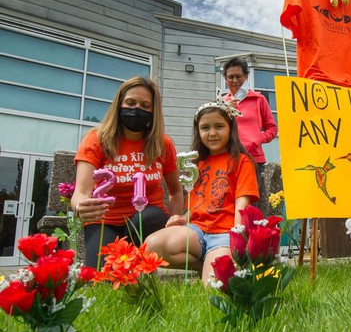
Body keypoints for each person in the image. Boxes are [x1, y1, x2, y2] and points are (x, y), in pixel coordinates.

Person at [71, 76, 184, 268]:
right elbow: (80, 192)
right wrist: (80, 207)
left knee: (147, 217)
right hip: (104, 220)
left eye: (145, 105)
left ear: (153, 111)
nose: (136, 109)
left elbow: (176, 190)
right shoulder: (96, 139)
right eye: (130, 103)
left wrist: (174, 220)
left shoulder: (163, 144)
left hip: (148, 220)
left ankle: (140, 270)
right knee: (99, 280)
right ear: (119, 105)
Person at [145, 98, 259, 285]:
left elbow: (242, 203)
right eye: (205, 128)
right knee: (151, 246)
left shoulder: (241, 161)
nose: (212, 133)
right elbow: (196, 206)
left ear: (231, 129)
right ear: (198, 131)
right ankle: (202, 264)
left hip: (225, 233)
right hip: (196, 231)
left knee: (215, 286)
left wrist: (238, 237)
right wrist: (182, 219)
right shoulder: (197, 164)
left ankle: (215, 262)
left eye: (219, 126)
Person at [222, 57, 278, 181]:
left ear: (246, 77)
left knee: (252, 198)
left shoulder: (258, 99)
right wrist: (226, 112)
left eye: (239, 76)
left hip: (254, 159)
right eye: (230, 77)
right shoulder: (222, 103)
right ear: (225, 79)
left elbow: (272, 128)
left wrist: (258, 139)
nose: (235, 80)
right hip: (227, 158)